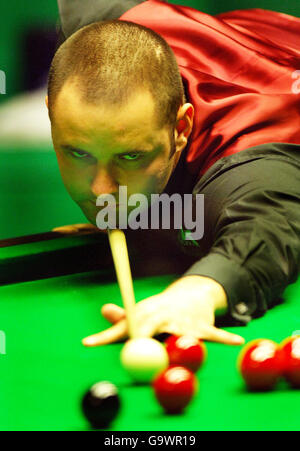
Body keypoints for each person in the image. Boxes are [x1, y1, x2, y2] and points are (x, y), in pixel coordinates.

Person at [46, 0, 300, 347]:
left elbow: (266, 230)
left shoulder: (248, 156)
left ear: (181, 127)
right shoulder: (91, 23)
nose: (102, 190)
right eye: (78, 152)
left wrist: (197, 293)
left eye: (131, 156)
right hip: (246, 39)